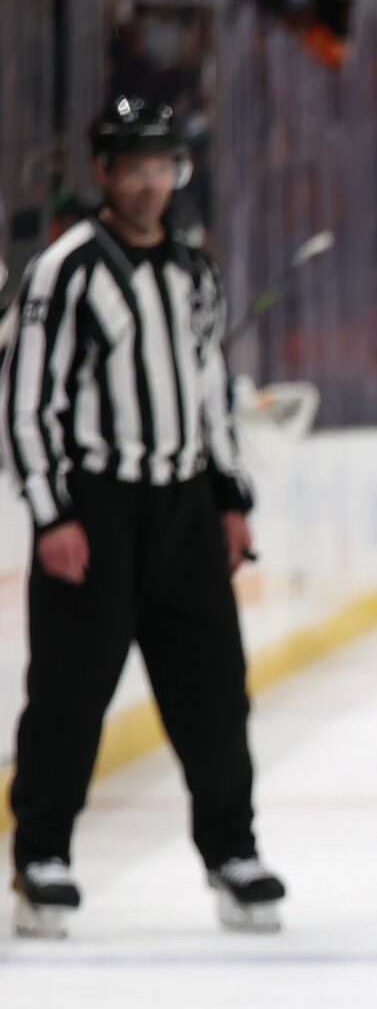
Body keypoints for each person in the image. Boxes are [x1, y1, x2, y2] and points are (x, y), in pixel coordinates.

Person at [1, 98, 286, 937]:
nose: (151, 182)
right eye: (134, 166)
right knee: (69, 692)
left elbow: (210, 395)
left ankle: (233, 851)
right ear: (103, 173)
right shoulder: (68, 270)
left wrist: (229, 497)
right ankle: (42, 854)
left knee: (214, 693)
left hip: (185, 510)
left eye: (163, 166)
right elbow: (24, 404)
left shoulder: (195, 270)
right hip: (97, 509)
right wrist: (52, 514)